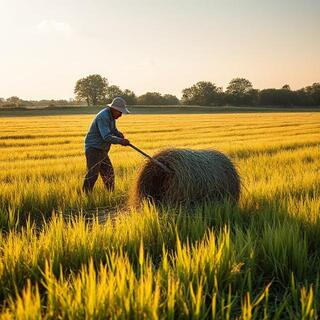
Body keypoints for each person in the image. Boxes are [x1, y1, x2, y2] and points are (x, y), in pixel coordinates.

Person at [82, 97, 130, 193]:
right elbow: (106, 137)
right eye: (120, 112)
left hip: (102, 149)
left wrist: (118, 133)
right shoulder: (103, 116)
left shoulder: (112, 116)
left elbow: (113, 130)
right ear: (114, 109)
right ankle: (85, 196)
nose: (121, 115)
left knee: (109, 173)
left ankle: (110, 195)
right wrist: (121, 141)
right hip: (94, 149)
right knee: (92, 174)